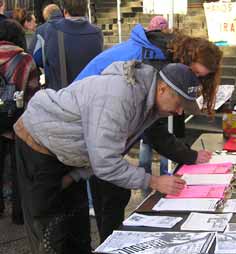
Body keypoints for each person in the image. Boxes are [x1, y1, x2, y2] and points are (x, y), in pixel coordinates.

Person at [14, 61, 203, 254]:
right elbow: (105, 161)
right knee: (50, 234)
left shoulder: (148, 104)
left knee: (78, 231)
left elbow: (107, 149)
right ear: (162, 89)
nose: (180, 112)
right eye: (179, 104)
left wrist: (76, 176)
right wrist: (153, 181)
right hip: (39, 142)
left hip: (69, 152)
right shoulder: (120, 96)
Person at [76, 23, 223, 241]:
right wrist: (187, 158)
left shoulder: (164, 55)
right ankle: (112, 243)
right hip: (81, 126)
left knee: (112, 192)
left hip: (94, 122)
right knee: (109, 193)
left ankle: (112, 239)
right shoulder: (155, 65)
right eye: (193, 73)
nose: (194, 80)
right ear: (185, 60)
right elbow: (154, 130)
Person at [0, 19, 40, 222]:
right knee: (19, 169)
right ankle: (19, 214)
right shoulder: (25, 60)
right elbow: (34, 95)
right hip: (17, 121)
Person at [29, 0, 103, 90]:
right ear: (85, 10)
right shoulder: (97, 33)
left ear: (64, 11)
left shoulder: (50, 30)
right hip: (89, 92)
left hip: (60, 94)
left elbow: (36, 58)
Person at [140, 16, 169, 176]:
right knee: (166, 137)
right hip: (167, 96)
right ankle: (166, 173)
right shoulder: (171, 46)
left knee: (146, 140)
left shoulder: (143, 46)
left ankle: (144, 174)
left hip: (147, 97)